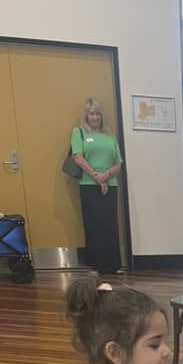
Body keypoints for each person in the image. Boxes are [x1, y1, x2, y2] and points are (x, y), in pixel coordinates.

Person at [71, 98, 124, 275]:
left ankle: (113, 265)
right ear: (86, 115)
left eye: (98, 114)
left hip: (111, 185)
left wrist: (106, 176)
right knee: (94, 225)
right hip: (89, 186)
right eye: (91, 114)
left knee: (109, 225)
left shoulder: (110, 136)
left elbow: (118, 163)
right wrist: (97, 178)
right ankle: (97, 265)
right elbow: (78, 157)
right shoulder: (79, 132)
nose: (95, 117)